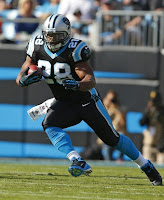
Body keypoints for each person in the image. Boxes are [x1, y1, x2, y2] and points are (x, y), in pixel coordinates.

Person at [16, 14, 162, 185]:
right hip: (63, 101)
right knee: (49, 124)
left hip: (86, 100)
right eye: (48, 34)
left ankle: (147, 167)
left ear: (66, 34)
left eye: (56, 36)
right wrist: (23, 80)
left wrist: (78, 85)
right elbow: (22, 73)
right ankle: (77, 160)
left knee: (112, 139)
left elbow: (90, 79)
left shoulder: (75, 49)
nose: (51, 39)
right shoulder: (36, 46)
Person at [140, 90, 164, 164]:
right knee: (148, 167)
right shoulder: (149, 111)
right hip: (149, 145)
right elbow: (142, 122)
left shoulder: (162, 111)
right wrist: (148, 110)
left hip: (161, 145)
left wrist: (158, 113)